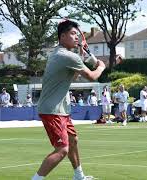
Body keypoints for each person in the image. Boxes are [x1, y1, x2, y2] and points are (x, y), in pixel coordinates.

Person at [33, 20, 105, 180]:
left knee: (73, 140)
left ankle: (79, 176)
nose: (77, 37)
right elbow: (92, 76)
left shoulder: (62, 54)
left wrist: (80, 58)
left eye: (77, 35)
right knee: (62, 149)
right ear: (62, 36)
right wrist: (101, 67)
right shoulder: (66, 55)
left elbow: (72, 76)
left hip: (61, 109)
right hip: (52, 110)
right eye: (73, 34)